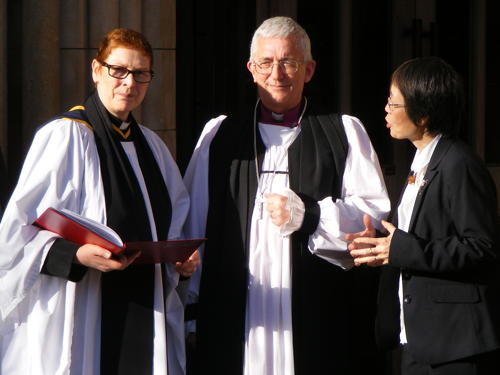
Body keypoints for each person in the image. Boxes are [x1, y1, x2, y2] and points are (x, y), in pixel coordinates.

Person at [183, 16, 390, 375]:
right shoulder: (218, 135)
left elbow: (370, 218)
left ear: (308, 69)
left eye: (288, 62)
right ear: (251, 69)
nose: (276, 73)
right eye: (265, 62)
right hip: (236, 307)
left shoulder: (343, 131)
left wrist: (310, 215)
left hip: (316, 308)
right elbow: (194, 225)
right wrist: (190, 305)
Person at [0, 28, 199, 375]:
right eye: (118, 70)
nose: (129, 83)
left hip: (146, 305)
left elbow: (175, 222)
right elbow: (17, 233)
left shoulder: (153, 147)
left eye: (141, 74)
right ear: (96, 70)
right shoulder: (65, 137)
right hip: (85, 303)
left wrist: (179, 264)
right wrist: (76, 255)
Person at [349, 56, 500, 375]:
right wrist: (382, 247)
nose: (386, 111)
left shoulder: (458, 163)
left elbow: (481, 247)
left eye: (394, 104)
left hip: (455, 345)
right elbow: (424, 237)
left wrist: (401, 249)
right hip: (421, 341)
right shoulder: (423, 160)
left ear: (424, 113)